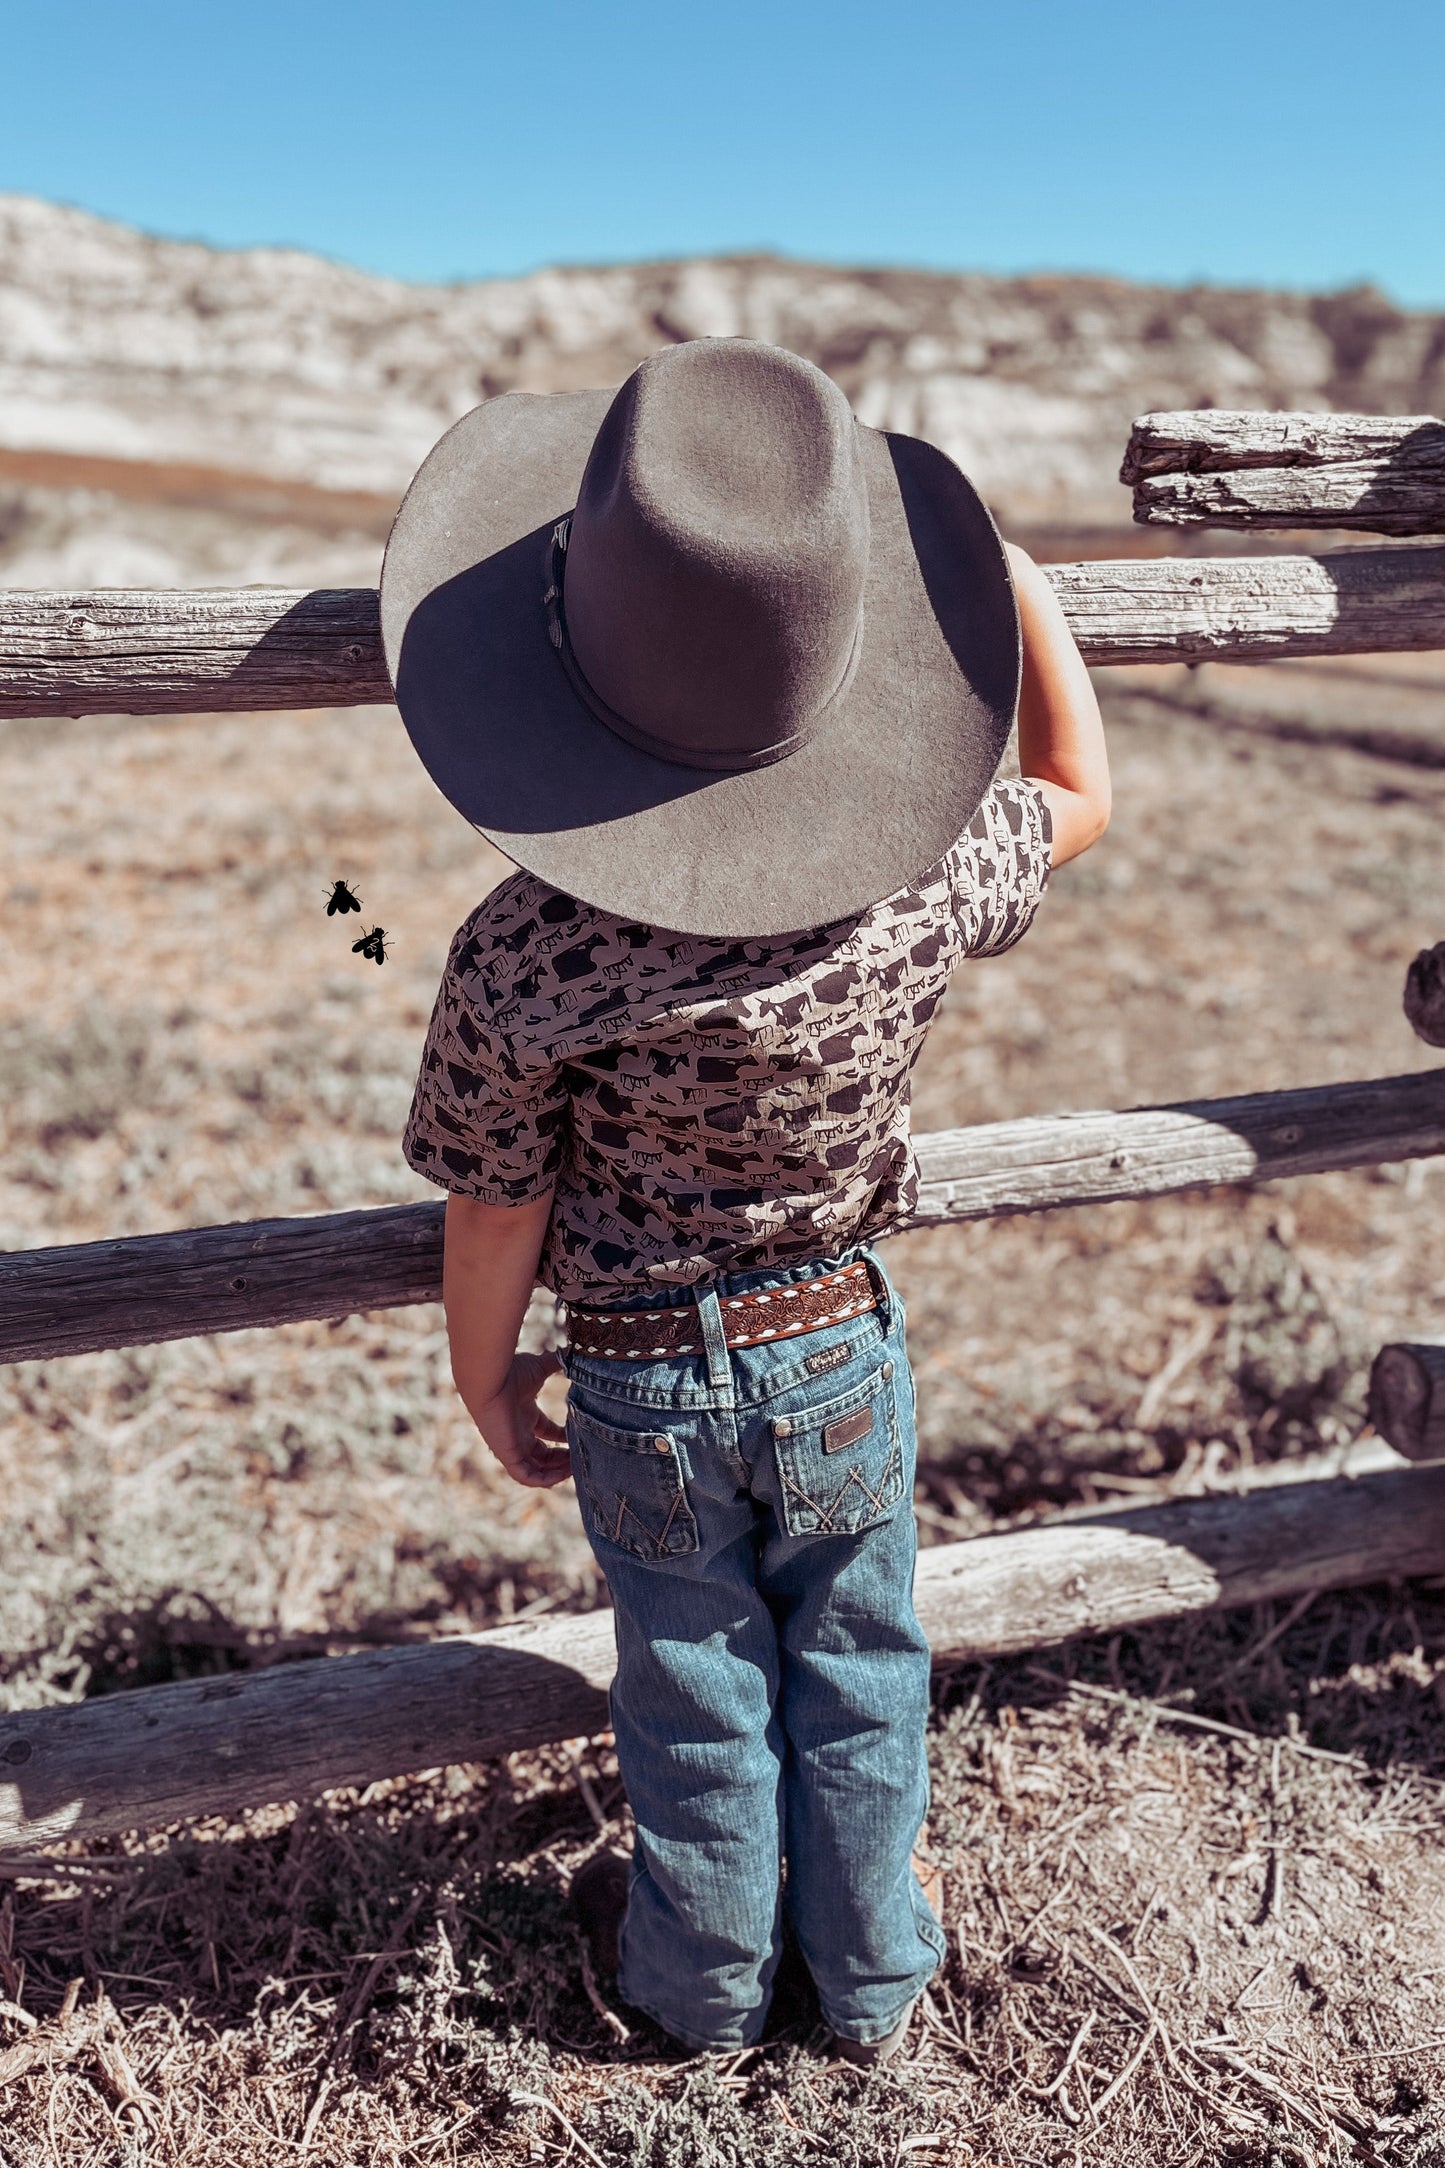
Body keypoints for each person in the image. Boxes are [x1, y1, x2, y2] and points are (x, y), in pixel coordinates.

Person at [383, 339, 1110, 2061]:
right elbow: (1081, 799)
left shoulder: (527, 949)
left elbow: (490, 1205)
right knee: (860, 1670)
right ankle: (867, 1990)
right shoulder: (920, 879)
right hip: (835, 1337)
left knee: (692, 1690)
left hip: (635, 1368)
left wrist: (484, 1374)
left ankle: (694, 1998)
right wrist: (1016, 602)